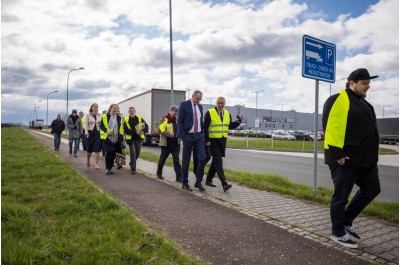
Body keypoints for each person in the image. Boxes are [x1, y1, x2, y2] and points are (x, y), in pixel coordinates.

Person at [322, 68, 381, 249]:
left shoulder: (365, 103)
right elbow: (330, 126)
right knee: (341, 197)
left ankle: (346, 220)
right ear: (351, 83)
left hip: (366, 160)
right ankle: (337, 232)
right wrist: (337, 153)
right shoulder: (339, 98)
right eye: (364, 83)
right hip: (345, 159)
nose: (367, 86)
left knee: (372, 189)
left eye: (368, 83)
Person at [204, 97, 244, 191]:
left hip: (222, 140)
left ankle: (208, 180)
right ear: (216, 103)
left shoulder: (227, 113)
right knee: (218, 162)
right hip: (213, 140)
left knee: (215, 161)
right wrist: (207, 140)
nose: (220, 105)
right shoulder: (209, 112)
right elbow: (205, 127)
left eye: (222, 103)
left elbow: (229, 125)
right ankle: (224, 183)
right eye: (219, 103)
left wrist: (238, 122)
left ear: (225, 103)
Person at [177, 90, 206, 192]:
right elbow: (179, 121)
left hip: (199, 136)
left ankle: (198, 182)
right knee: (186, 160)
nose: (199, 100)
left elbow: (201, 121)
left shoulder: (200, 107)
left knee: (203, 158)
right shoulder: (184, 105)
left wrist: (202, 134)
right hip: (188, 136)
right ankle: (185, 183)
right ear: (193, 96)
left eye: (200, 99)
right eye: (197, 98)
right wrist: (183, 136)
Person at [156, 105, 182, 182]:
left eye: (177, 112)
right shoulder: (164, 119)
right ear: (170, 111)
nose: (176, 113)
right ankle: (159, 173)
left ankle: (179, 177)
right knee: (163, 159)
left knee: (176, 160)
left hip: (176, 144)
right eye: (174, 111)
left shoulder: (177, 120)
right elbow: (160, 130)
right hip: (166, 143)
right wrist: (168, 133)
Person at [100, 104, 124, 175]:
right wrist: (107, 130)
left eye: (116, 108)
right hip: (108, 137)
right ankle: (108, 169)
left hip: (116, 138)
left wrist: (121, 137)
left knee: (113, 154)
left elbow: (121, 127)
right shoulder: (105, 116)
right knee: (109, 153)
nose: (115, 109)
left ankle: (110, 167)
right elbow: (101, 126)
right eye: (114, 108)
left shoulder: (119, 117)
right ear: (110, 108)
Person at [123, 106, 148, 174]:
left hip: (139, 139)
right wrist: (135, 132)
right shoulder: (126, 119)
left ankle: (131, 163)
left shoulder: (139, 118)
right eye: (130, 111)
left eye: (132, 110)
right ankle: (133, 168)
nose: (131, 112)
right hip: (131, 139)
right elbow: (126, 130)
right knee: (133, 153)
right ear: (128, 112)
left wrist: (142, 131)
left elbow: (146, 127)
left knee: (138, 153)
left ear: (135, 111)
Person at [84, 103, 102, 170]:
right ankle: (88, 160)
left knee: (97, 149)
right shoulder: (88, 115)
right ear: (91, 108)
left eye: (97, 107)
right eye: (94, 107)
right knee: (89, 150)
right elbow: (85, 124)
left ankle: (96, 163)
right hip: (90, 133)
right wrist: (86, 131)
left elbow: (102, 124)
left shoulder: (100, 115)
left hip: (98, 133)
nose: (96, 108)